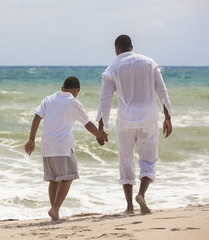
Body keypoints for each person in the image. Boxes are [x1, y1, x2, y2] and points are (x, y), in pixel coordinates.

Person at [96, 34, 172, 214]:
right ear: (131, 46)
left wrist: (101, 128)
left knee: (126, 160)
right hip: (148, 118)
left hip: (125, 121)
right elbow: (162, 90)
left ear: (116, 48)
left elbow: (104, 100)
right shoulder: (149, 62)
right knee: (149, 159)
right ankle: (142, 195)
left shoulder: (112, 68)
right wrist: (167, 116)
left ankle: (129, 207)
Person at [25, 76, 107, 221]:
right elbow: (87, 124)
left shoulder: (48, 99)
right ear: (77, 90)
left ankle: (54, 212)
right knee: (68, 177)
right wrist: (99, 135)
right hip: (63, 147)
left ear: (62, 88)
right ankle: (55, 209)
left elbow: (37, 117)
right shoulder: (73, 102)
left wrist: (31, 139)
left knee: (54, 180)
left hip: (47, 147)